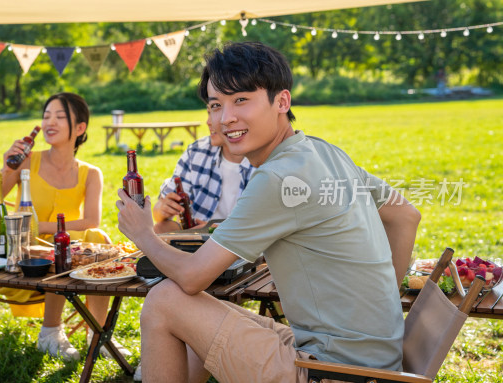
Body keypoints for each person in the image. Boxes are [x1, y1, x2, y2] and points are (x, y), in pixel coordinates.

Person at [116, 42, 420, 382]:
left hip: (336, 371)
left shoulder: (277, 177)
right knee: (194, 317)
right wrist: (382, 306)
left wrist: (142, 233)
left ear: (282, 102)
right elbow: (406, 215)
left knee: (165, 300)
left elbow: (191, 278)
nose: (226, 117)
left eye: (241, 100)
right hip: (375, 360)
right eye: (216, 105)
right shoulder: (323, 151)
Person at [0, 92, 128, 361]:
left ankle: (98, 334)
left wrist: (39, 225)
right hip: (24, 259)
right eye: (46, 116)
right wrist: (6, 168)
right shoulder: (26, 162)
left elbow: (91, 221)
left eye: (59, 116)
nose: (49, 122)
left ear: (80, 128)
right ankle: (50, 332)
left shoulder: (90, 173)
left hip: (71, 256)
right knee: (61, 246)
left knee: (97, 237)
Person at [152, 106, 253, 233]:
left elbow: (261, 231)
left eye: (216, 113)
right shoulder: (197, 151)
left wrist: (211, 230)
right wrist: (162, 209)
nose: (208, 122)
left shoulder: (263, 161)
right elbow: (158, 214)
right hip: (196, 240)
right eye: (208, 113)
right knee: (160, 229)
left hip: (240, 245)